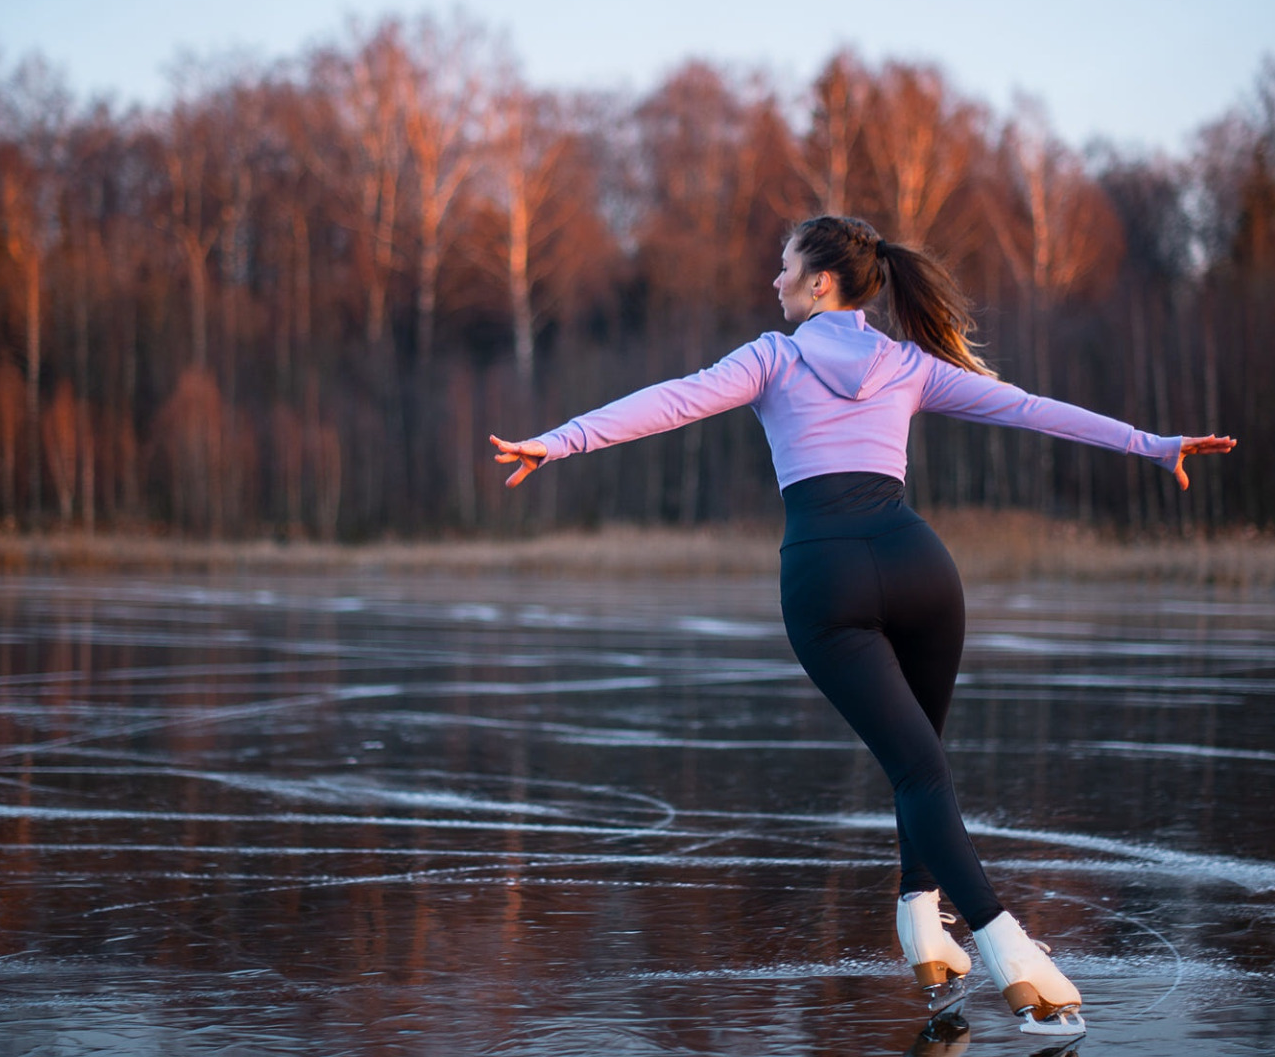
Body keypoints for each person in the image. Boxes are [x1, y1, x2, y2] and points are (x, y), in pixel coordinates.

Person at [489, 215, 1235, 1034]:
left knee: (918, 772)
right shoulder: (908, 364)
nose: (773, 281)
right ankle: (921, 919)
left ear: (819, 284)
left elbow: (671, 402)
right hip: (921, 568)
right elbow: (1027, 409)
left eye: (783, 268)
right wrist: (1150, 442)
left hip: (825, 578)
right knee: (922, 765)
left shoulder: (771, 358)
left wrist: (557, 443)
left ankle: (1008, 950)